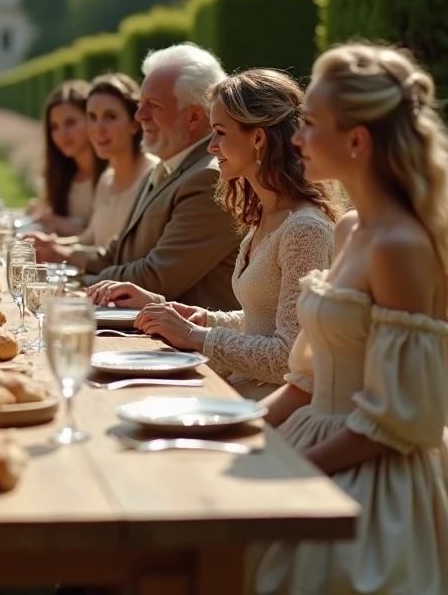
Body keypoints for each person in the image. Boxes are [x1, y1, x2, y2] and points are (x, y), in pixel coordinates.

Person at [248, 44, 448, 594]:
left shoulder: (401, 247)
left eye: (309, 125)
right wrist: (243, 430)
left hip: (382, 472)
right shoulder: (351, 230)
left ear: (357, 140)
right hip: (325, 434)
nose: (295, 138)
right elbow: (309, 378)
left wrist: (297, 470)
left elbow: (399, 420)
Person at [90, 70, 342, 399]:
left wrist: (196, 336)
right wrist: (183, 313)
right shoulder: (265, 217)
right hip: (240, 387)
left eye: (220, 133)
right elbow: (259, 321)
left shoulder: (304, 229)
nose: (211, 146)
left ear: (258, 138)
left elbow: (289, 356)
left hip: (269, 404)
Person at [78, 44, 241, 309]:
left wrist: (80, 280)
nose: (139, 115)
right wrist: (62, 259)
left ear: (193, 117)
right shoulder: (165, 166)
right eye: (141, 103)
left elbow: (155, 278)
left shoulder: (209, 178)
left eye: (153, 105)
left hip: (188, 347)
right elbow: (118, 252)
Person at [30, 73, 155, 257]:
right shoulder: (107, 180)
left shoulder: (153, 177)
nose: (98, 128)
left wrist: (59, 251)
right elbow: (88, 240)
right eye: (92, 117)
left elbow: (129, 257)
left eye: (110, 117)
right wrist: (47, 244)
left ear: (135, 123)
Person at [26, 80, 104, 236]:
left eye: (70, 123)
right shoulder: (61, 174)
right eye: (54, 127)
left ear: (92, 120)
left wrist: (73, 227)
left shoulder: (112, 174)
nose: (62, 134)